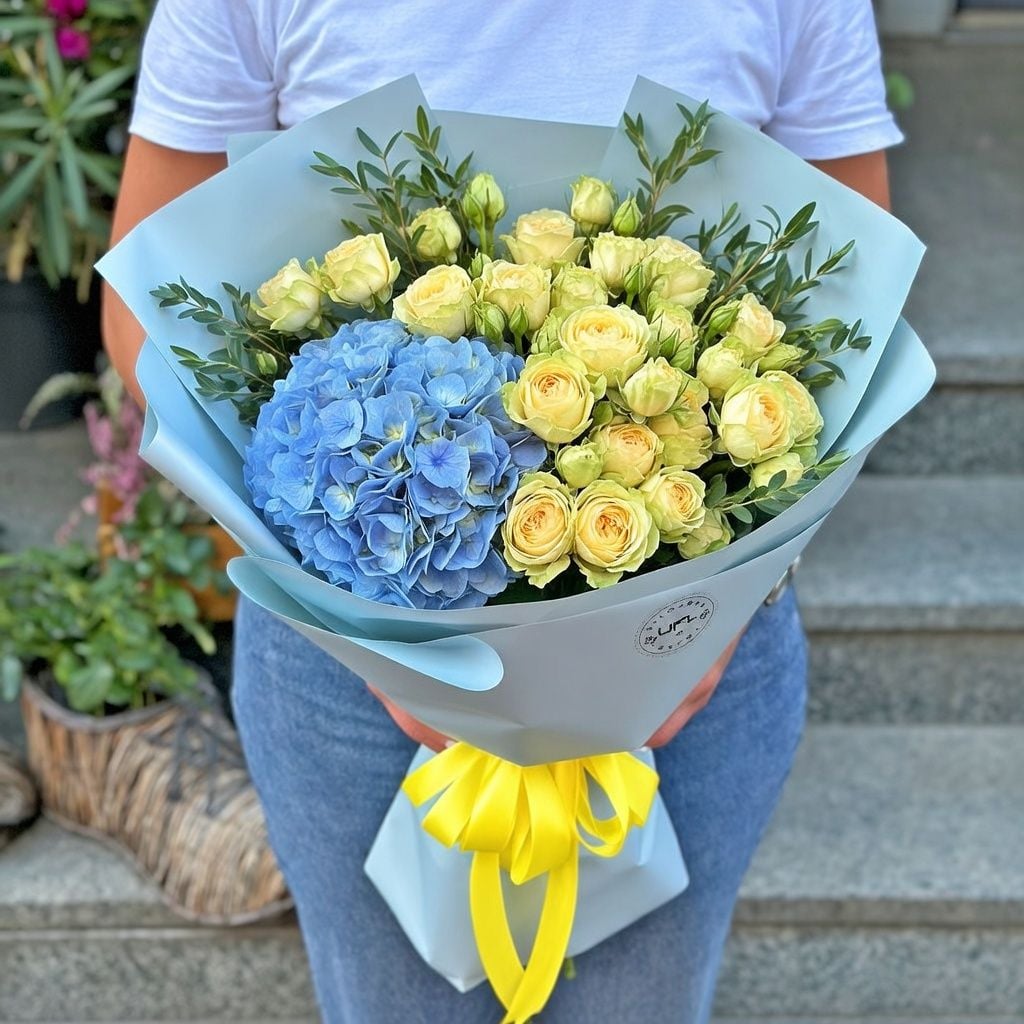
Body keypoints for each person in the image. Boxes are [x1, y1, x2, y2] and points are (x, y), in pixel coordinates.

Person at [104, 3, 901, 1020]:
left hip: (692, 665)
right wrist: (349, 601)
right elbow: (140, 298)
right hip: (347, 681)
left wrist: (717, 602)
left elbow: (855, 300)